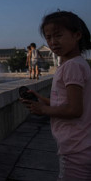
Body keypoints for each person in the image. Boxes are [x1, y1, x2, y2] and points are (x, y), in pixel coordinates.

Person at [21, 11, 91, 180]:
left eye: (58, 36)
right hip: (80, 143)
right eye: (48, 37)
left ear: (77, 35)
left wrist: (43, 110)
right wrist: (42, 99)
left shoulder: (71, 66)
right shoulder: (76, 63)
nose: (53, 42)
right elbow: (65, 102)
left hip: (75, 147)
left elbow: (75, 110)